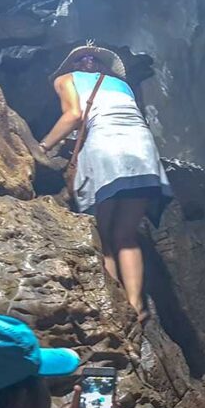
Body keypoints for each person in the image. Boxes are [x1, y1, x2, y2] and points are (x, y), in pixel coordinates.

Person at [40, 43, 172, 323]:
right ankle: (136, 305)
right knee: (126, 235)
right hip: (143, 151)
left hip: (106, 149)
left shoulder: (65, 79)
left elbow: (74, 115)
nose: (87, 62)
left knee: (102, 235)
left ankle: (113, 309)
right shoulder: (123, 86)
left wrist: (43, 146)